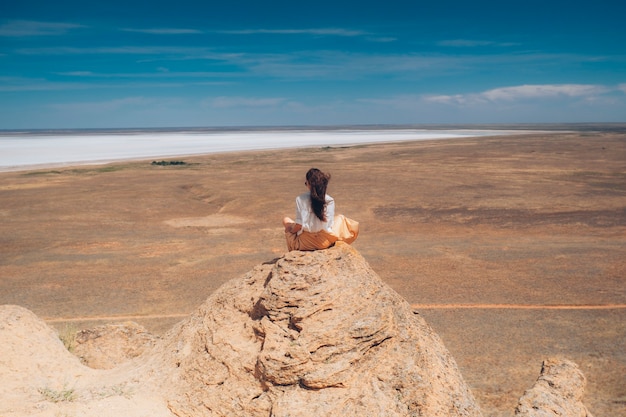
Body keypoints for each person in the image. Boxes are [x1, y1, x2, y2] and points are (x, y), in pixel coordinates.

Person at [283, 168, 359, 251]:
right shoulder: (329, 200)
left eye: (306, 183)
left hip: (306, 243)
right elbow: (329, 223)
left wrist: (290, 230)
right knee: (341, 218)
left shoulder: (300, 199)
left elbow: (299, 226)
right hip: (325, 241)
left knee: (286, 220)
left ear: (309, 184)